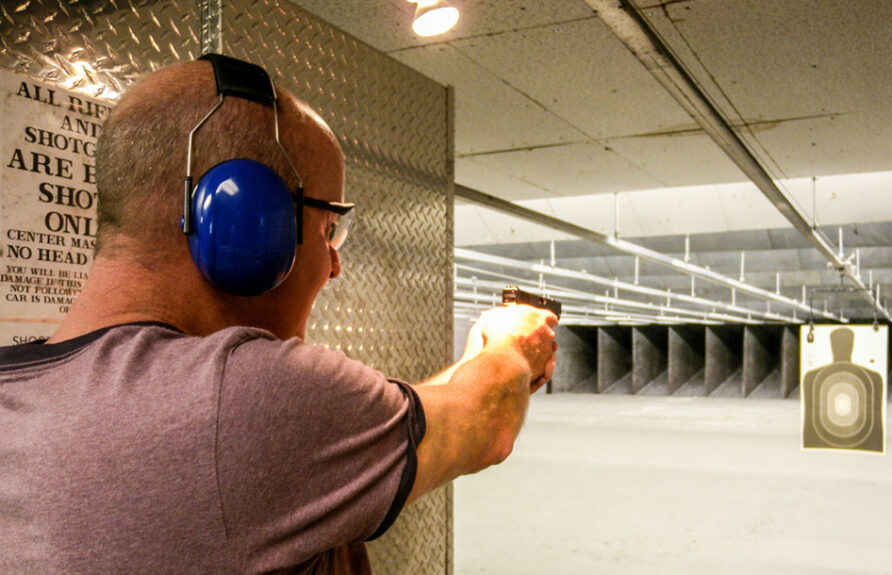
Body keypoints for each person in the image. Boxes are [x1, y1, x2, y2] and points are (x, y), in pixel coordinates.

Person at [0, 56, 557, 574]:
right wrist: (511, 343)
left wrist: (469, 367)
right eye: (327, 228)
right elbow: (484, 423)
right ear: (244, 217)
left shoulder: (18, 387)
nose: (334, 264)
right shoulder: (240, 397)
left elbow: (412, 414)